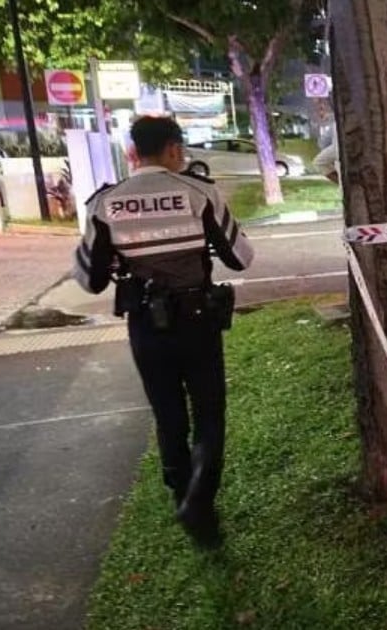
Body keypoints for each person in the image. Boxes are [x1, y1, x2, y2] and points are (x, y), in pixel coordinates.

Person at [72, 116, 254, 547]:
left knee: (167, 413)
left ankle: (180, 497)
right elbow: (241, 258)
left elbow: (90, 280)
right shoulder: (198, 192)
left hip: (146, 327)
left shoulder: (105, 203)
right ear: (173, 149)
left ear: (134, 153)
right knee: (209, 413)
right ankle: (200, 504)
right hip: (197, 322)